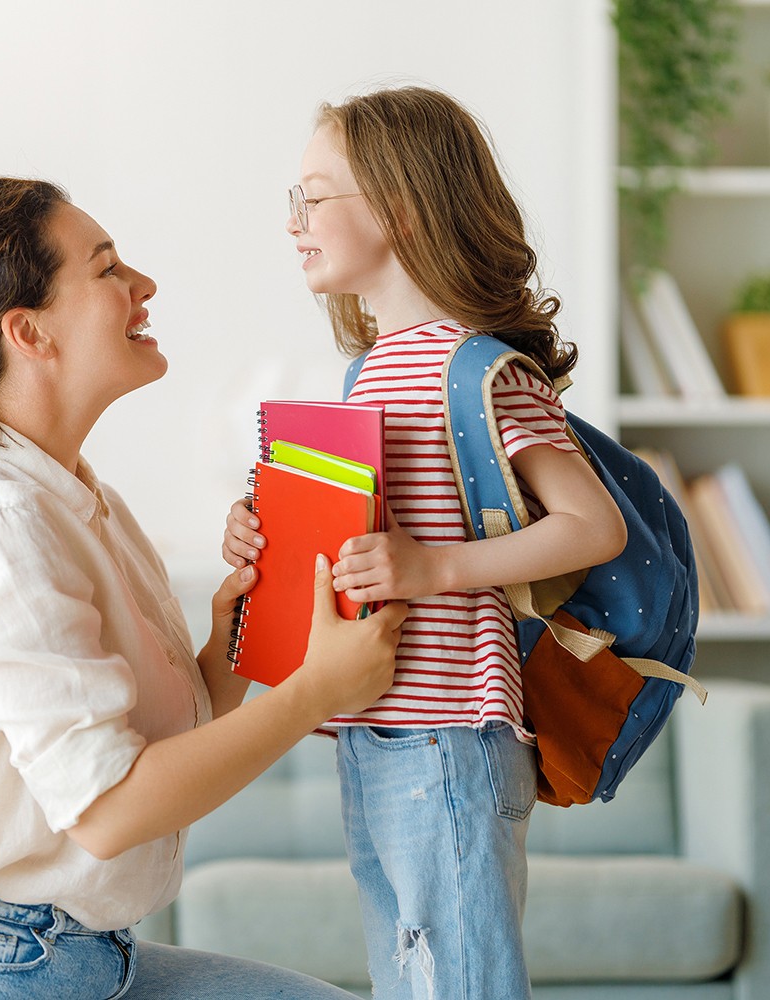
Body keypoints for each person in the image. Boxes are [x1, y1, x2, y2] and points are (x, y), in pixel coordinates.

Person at [0, 177, 408, 1000]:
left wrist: (230, 645)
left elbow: (147, 755)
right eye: (106, 270)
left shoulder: (83, 501)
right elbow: (109, 809)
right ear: (30, 332)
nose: (143, 286)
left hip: (74, 955)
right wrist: (315, 694)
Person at [221, 86, 629, 1000]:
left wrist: (435, 567)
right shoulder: (367, 372)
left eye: (312, 196)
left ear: (399, 206)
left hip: (451, 729)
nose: (294, 222)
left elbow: (592, 527)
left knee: (463, 983)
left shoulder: (477, 369)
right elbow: (369, 544)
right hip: (372, 728)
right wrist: (265, 536)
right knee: (413, 978)